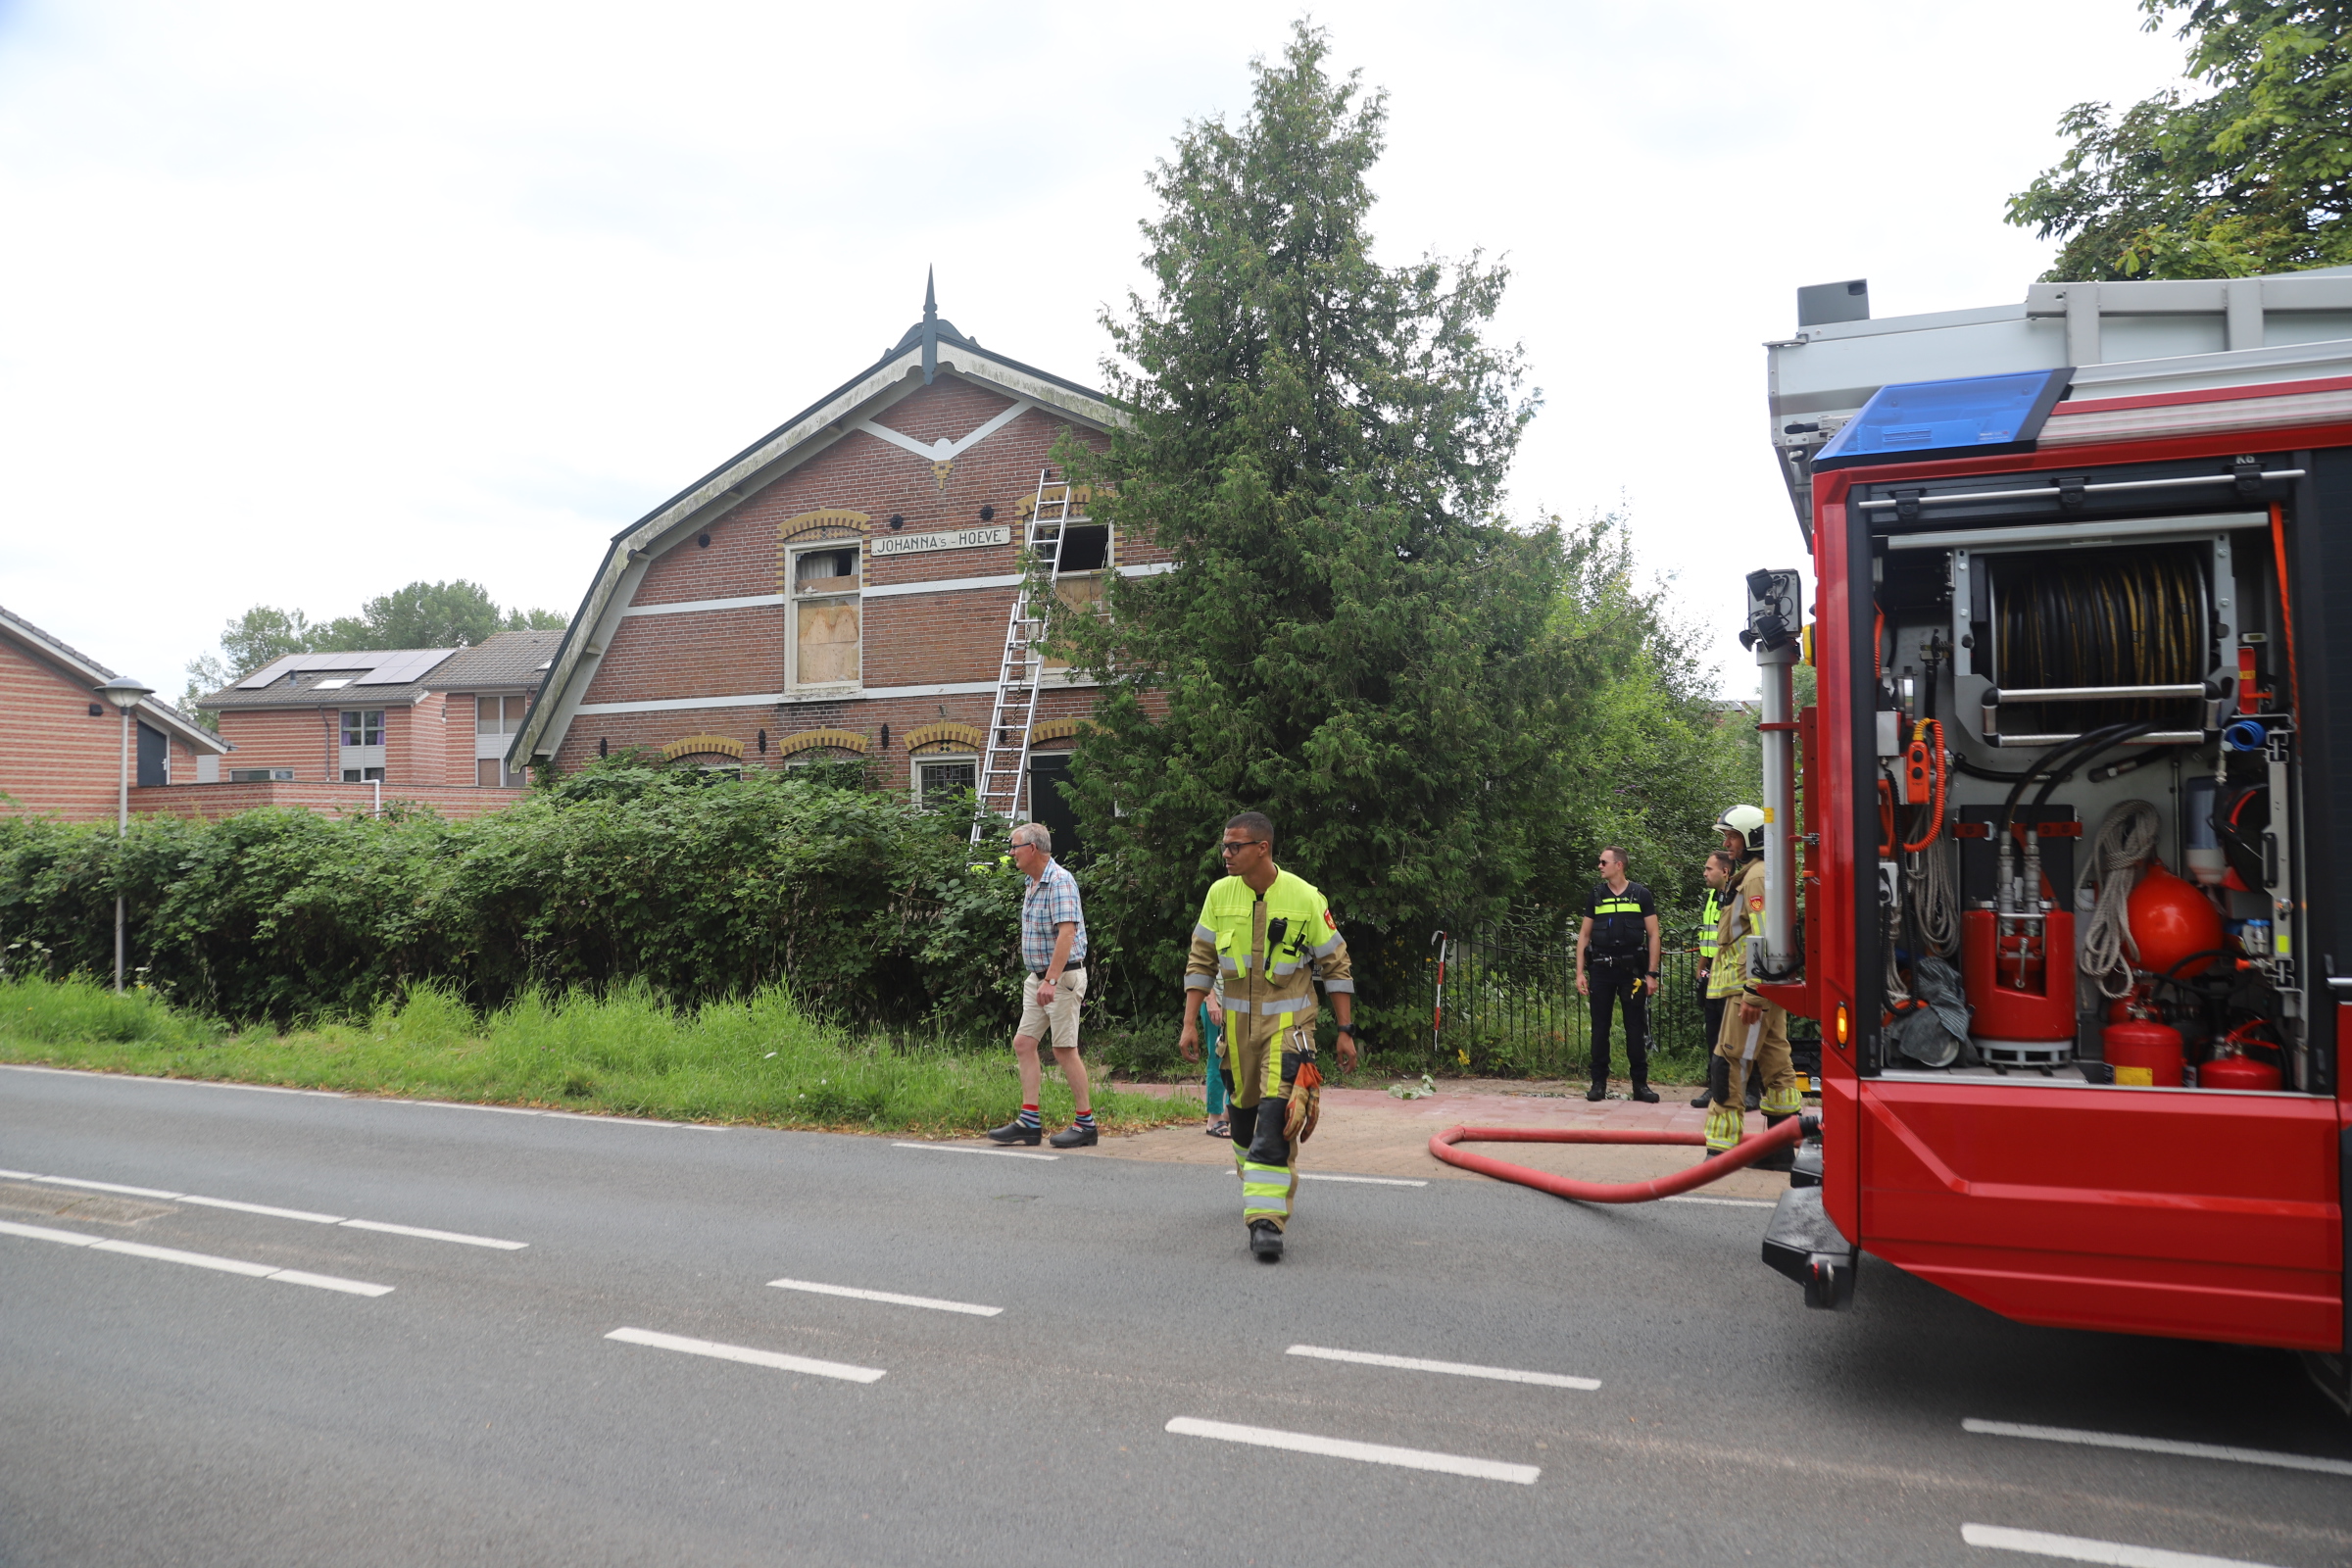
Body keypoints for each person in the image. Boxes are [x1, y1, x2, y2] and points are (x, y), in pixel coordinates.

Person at [1178, 812, 1355, 1262]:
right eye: (1224, 846)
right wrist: (1188, 1022)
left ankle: (1266, 1222)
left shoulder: (1305, 898)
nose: (1226, 855)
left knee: (1277, 1118)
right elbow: (1201, 960)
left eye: (1234, 847)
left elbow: (1336, 966)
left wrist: (1345, 1031)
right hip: (1235, 1033)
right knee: (1241, 1117)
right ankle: (1252, 1171)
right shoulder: (1220, 895)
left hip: (1291, 1030)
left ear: (1262, 848)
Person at [988, 821, 1097, 1150]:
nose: (1011, 852)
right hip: (1039, 979)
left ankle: (1086, 1124)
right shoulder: (1032, 882)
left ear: (1032, 849)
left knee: (1064, 1049)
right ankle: (1029, 1122)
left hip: (1060, 980)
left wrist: (1050, 979)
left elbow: (1067, 934)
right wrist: (1040, 979)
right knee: (1024, 1043)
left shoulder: (1060, 881)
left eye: (1015, 846)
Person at [1704, 805, 1801, 1168]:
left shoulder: (1756, 878)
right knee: (1776, 1063)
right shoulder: (1754, 874)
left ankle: (1721, 1150)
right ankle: (1779, 1150)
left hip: (1750, 991)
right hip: (1759, 989)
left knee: (1729, 1061)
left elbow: (1764, 936)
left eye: (1732, 836)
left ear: (1751, 839)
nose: (1727, 843)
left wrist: (1753, 993)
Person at [1575, 846, 1661, 1103]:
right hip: (1601, 970)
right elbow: (1584, 934)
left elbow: (1654, 934)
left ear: (1619, 865)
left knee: (1635, 1027)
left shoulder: (1640, 895)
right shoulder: (1596, 895)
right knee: (1599, 1028)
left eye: (1603, 862)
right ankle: (1598, 1084)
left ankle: (1640, 1085)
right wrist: (1580, 972)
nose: (1599, 866)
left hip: (1631, 971)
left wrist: (1652, 973)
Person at [1688, 850, 1758, 1111]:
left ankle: (1750, 1091)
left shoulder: (1738, 894)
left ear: (1725, 871)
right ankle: (1715, 1087)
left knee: (1741, 1037)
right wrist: (1701, 967)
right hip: (1713, 975)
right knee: (1713, 1035)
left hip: (1734, 976)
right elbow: (1709, 937)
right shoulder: (1713, 897)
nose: (1705, 873)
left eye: (1709, 869)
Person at [1200, 986, 1229, 1138]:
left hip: (1240, 1005)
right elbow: (1201, 970)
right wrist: (1211, 1000)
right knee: (1217, 1058)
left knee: (1240, 1060)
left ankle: (1230, 1113)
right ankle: (1214, 1119)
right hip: (1215, 1003)